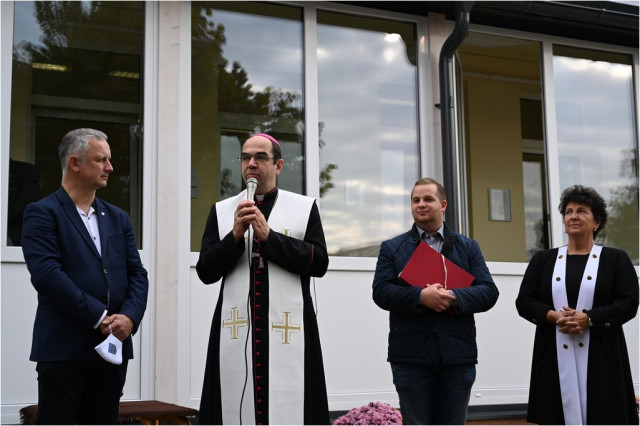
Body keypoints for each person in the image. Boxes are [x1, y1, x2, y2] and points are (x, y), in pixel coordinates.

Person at [196, 133, 330, 425]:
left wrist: (270, 237)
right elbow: (205, 271)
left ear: (278, 165)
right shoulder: (222, 211)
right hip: (235, 329)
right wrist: (234, 235)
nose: (251, 164)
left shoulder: (303, 207)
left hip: (288, 328)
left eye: (260, 157)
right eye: (245, 157)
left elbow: (319, 263)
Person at [21, 128, 149, 424]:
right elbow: (47, 275)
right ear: (75, 163)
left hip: (111, 351)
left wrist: (130, 317)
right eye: (101, 160)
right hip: (63, 351)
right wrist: (99, 317)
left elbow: (137, 274)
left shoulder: (118, 217)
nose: (110, 167)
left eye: (109, 159)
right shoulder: (43, 213)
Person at [372, 177, 499, 425]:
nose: (421, 204)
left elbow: (488, 292)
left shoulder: (468, 247)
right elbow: (381, 292)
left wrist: (453, 297)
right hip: (410, 357)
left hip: (457, 356)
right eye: (415, 200)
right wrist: (421, 297)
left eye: (428, 199)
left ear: (443, 205)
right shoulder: (392, 248)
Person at [516, 185, 639, 425]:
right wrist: (552, 316)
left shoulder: (615, 259)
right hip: (552, 356)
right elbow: (524, 302)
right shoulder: (543, 260)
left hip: (602, 357)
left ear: (597, 222)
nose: (573, 216)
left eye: (582, 211)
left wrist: (589, 318)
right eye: (569, 211)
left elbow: (629, 303)